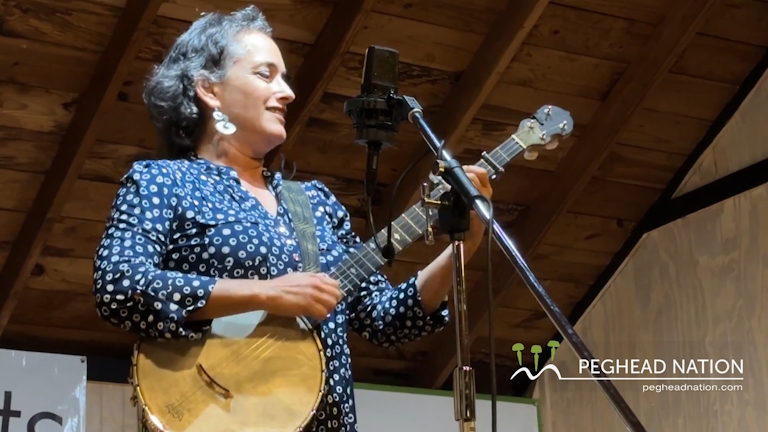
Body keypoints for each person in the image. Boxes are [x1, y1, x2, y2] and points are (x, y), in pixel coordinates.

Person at [91, 6, 492, 432]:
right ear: (209, 89)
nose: (287, 93)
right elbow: (120, 287)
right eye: (266, 75)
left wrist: (464, 245)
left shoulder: (313, 203)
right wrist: (266, 294)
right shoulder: (163, 182)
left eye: (284, 78)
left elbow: (384, 318)